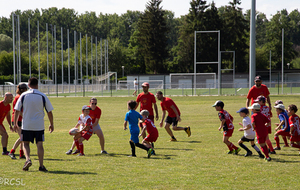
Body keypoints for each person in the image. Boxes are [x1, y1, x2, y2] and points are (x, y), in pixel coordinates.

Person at [14, 77, 54, 172]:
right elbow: (49, 111)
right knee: (39, 144)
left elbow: (17, 110)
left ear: (28, 85)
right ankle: (41, 166)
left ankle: (28, 159)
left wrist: (15, 123)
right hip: (39, 124)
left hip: (27, 124)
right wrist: (51, 124)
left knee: (26, 143)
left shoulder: (23, 95)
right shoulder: (42, 95)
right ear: (37, 85)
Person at [8, 83, 28, 159]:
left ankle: (21, 154)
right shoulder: (18, 97)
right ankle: (11, 152)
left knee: (23, 137)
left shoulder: (22, 96)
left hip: (22, 120)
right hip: (17, 120)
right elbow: (18, 111)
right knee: (22, 137)